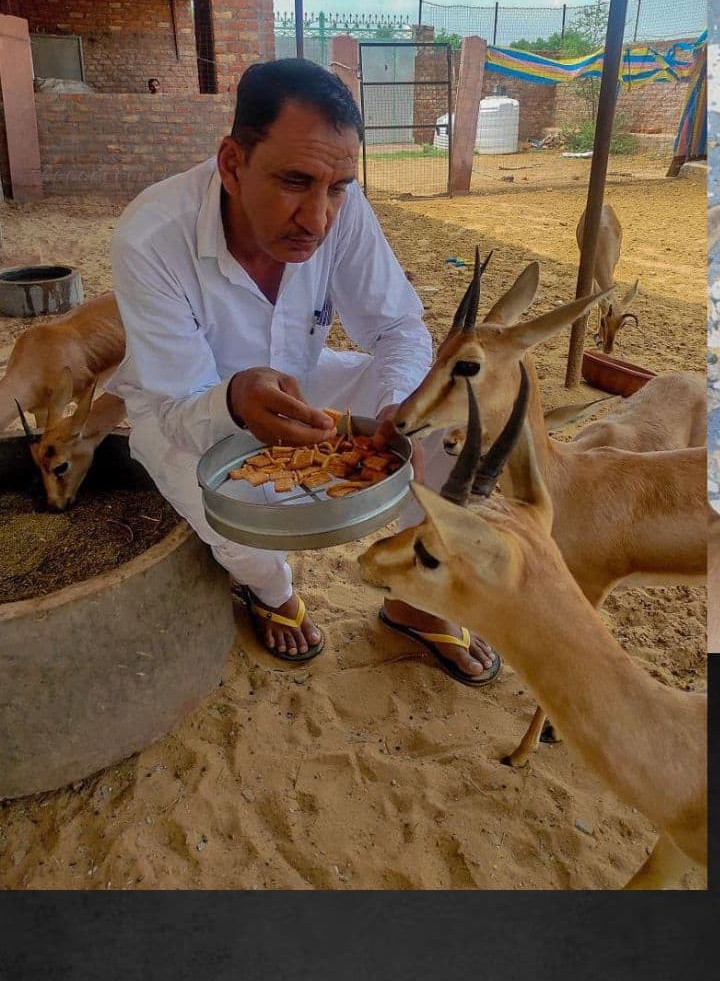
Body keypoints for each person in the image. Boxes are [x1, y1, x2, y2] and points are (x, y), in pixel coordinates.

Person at [108, 59, 499, 684]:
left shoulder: (341, 208)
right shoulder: (151, 238)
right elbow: (178, 404)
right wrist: (236, 399)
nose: (318, 219)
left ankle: (416, 604)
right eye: (294, 181)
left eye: (337, 186)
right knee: (234, 514)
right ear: (232, 164)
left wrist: (400, 406)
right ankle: (272, 595)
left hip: (303, 383)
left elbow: (397, 329)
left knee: (447, 427)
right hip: (189, 409)